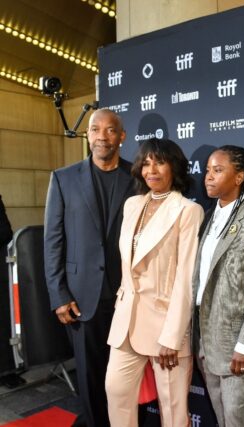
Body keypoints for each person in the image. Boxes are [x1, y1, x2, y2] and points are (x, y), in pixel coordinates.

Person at [44, 108, 134, 427]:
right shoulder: (63, 178)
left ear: (121, 137)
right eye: (95, 129)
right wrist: (58, 294)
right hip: (81, 297)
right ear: (88, 135)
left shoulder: (137, 178)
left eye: (110, 131)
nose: (101, 136)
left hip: (127, 297)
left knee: (123, 379)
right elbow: (53, 240)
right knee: (89, 377)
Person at [105, 138, 204, 427]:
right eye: (146, 163)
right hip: (126, 323)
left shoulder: (188, 210)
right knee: (116, 391)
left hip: (166, 328)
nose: (151, 169)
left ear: (174, 167)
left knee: (173, 412)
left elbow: (186, 276)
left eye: (159, 162)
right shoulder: (132, 205)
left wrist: (173, 337)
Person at [193, 145, 244, 427]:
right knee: (223, 420)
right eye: (207, 171)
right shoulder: (208, 216)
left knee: (239, 422)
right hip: (208, 344)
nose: (208, 177)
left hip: (240, 348)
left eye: (218, 170)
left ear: (239, 177)